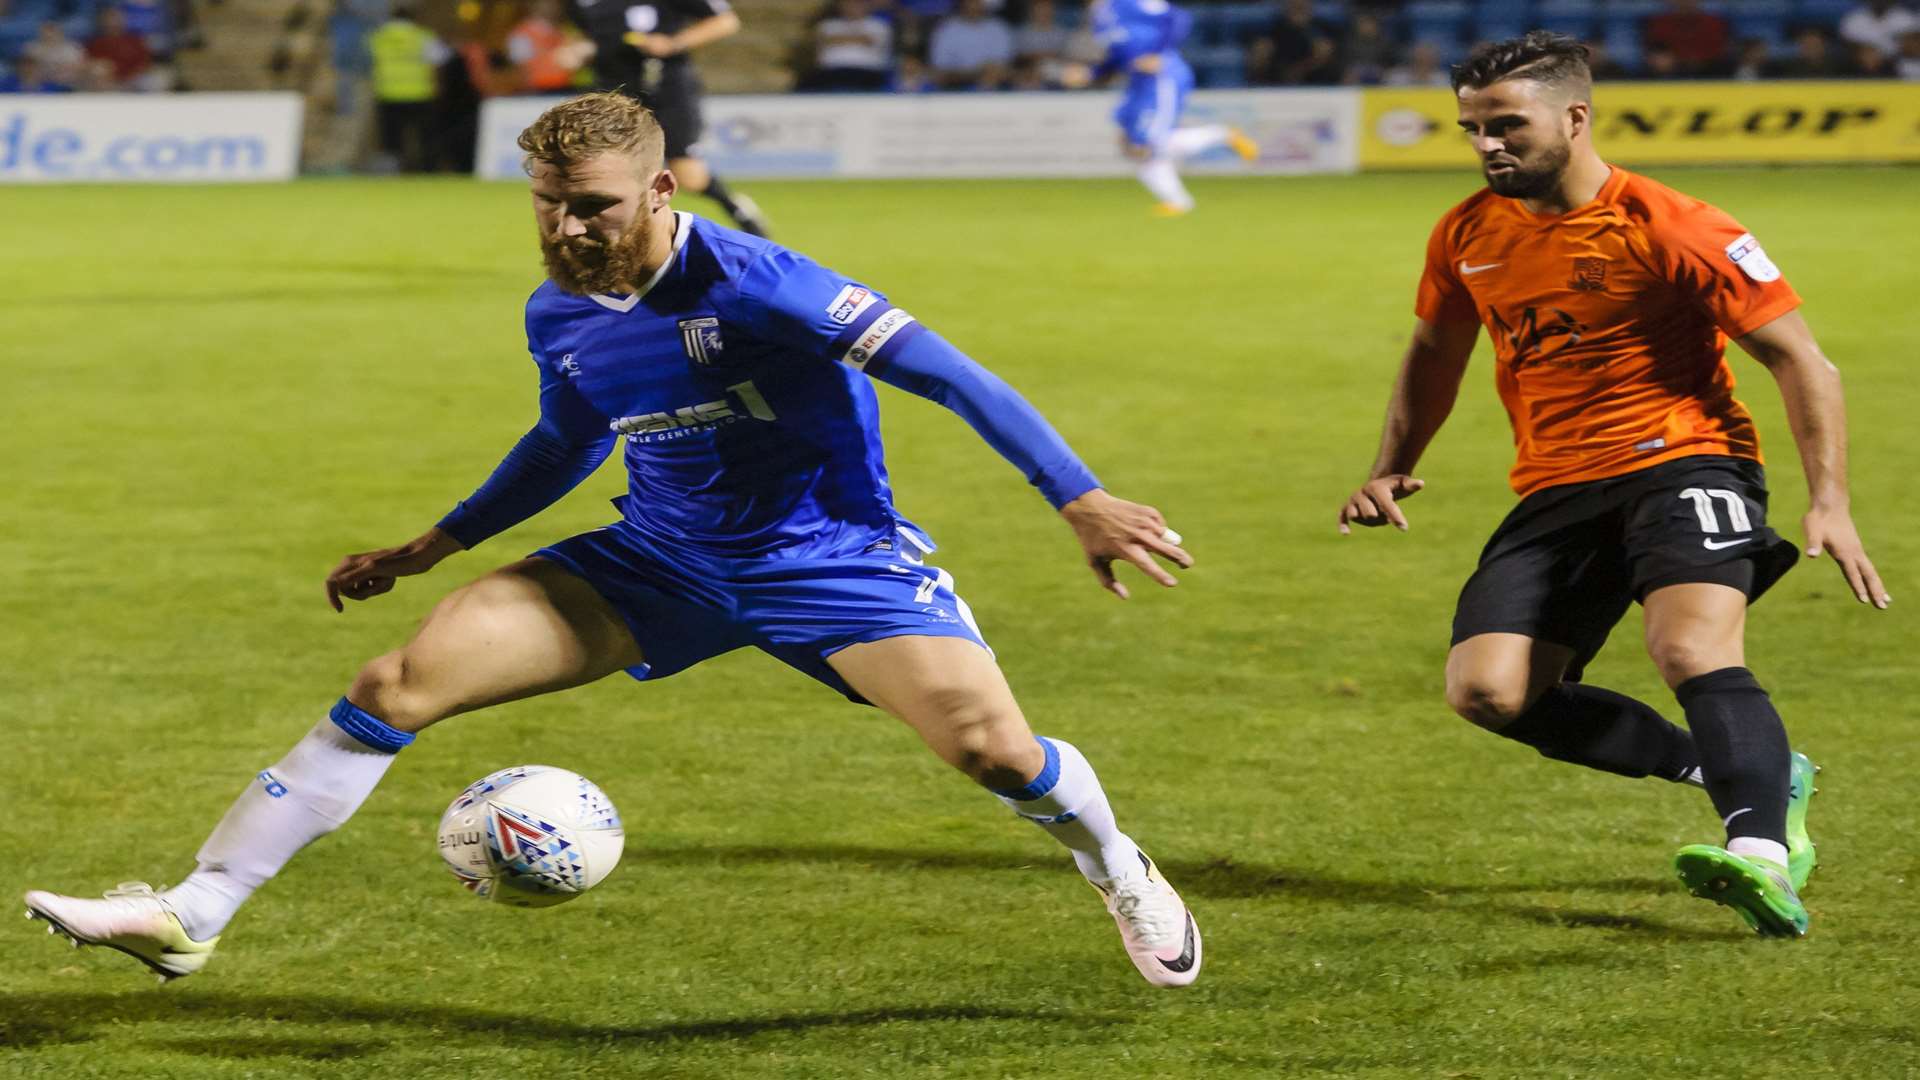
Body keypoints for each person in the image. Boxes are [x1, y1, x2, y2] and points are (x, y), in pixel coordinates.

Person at [23, 92, 1204, 991]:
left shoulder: (764, 286)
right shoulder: (559, 310)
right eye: (546, 202)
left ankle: (1117, 866)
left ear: (660, 190)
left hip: (830, 564)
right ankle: (195, 912)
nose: (566, 225)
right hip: (658, 563)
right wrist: (429, 546)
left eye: (589, 204)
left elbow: (954, 376)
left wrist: (1078, 497)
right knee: (394, 684)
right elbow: (566, 440)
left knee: (998, 757)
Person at [1336, 32, 1888, 939]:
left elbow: (1802, 361)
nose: (1486, 146)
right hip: (1557, 486)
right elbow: (1435, 350)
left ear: (1575, 117)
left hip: (1687, 460)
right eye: (1472, 129)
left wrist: (1829, 498)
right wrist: (1389, 462)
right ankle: (1741, 770)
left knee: (1690, 649)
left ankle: (1761, 855)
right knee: (1490, 693)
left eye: (1506, 125)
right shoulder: (1468, 231)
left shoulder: (1675, 223)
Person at [569, 0, 774, 237]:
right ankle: (617, 233)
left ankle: (738, 210)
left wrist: (673, 43)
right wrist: (577, 51)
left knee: (688, 174)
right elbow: (591, 37)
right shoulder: (583, 4)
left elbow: (725, 21)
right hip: (614, 93)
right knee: (610, 167)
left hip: (668, 90)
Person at [1070, 0, 1259, 217]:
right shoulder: (1099, 18)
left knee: (1148, 144)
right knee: (1130, 144)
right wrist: (1090, 74)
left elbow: (1179, 18)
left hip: (1162, 77)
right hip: (1138, 82)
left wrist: (1159, 53)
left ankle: (1221, 137)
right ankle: (1178, 201)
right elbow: (1118, 57)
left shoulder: (1131, 3)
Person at [369, 4, 451, 172]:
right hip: (420, 94)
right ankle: (428, 171)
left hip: (388, 93)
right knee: (426, 137)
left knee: (391, 139)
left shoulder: (378, 37)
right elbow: (440, 61)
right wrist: (438, 86)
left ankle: (393, 172)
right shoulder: (422, 36)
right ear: (413, 19)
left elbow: (367, 62)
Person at [798, 0, 894, 92]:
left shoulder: (879, 25)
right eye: (848, 4)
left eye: (856, 4)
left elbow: (869, 41)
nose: (852, 7)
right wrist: (858, 39)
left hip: (867, 73)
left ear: (866, 5)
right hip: (830, 73)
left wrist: (839, 39)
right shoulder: (827, 25)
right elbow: (824, 41)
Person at [927, 0, 1014, 89]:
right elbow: (939, 71)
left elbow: (1004, 68)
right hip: (954, 89)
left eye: (977, 2)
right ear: (962, 3)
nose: (974, 5)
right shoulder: (945, 30)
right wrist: (974, 74)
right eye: (970, 2)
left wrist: (990, 73)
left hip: (995, 87)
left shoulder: (999, 29)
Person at [508, 0, 588, 93]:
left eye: (555, 3)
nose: (552, 6)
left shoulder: (565, 30)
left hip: (568, 88)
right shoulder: (521, 34)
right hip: (537, 91)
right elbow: (521, 69)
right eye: (547, 2)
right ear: (533, 5)